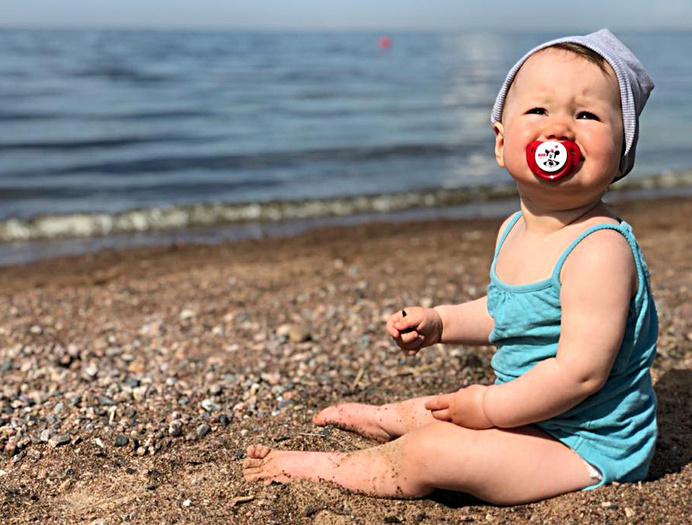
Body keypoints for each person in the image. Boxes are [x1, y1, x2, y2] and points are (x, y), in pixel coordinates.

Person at [243, 29, 658, 505]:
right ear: (501, 143)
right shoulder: (513, 229)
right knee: (440, 409)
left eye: (586, 115)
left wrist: (488, 405)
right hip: (534, 415)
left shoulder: (599, 250)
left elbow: (579, 374)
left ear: (622, 157)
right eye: (539, 110)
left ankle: (324, 467)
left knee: (433, 449)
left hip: (584, 445)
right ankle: (386, 419)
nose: (559, 129)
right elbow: (508, 312)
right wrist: (442, 322)